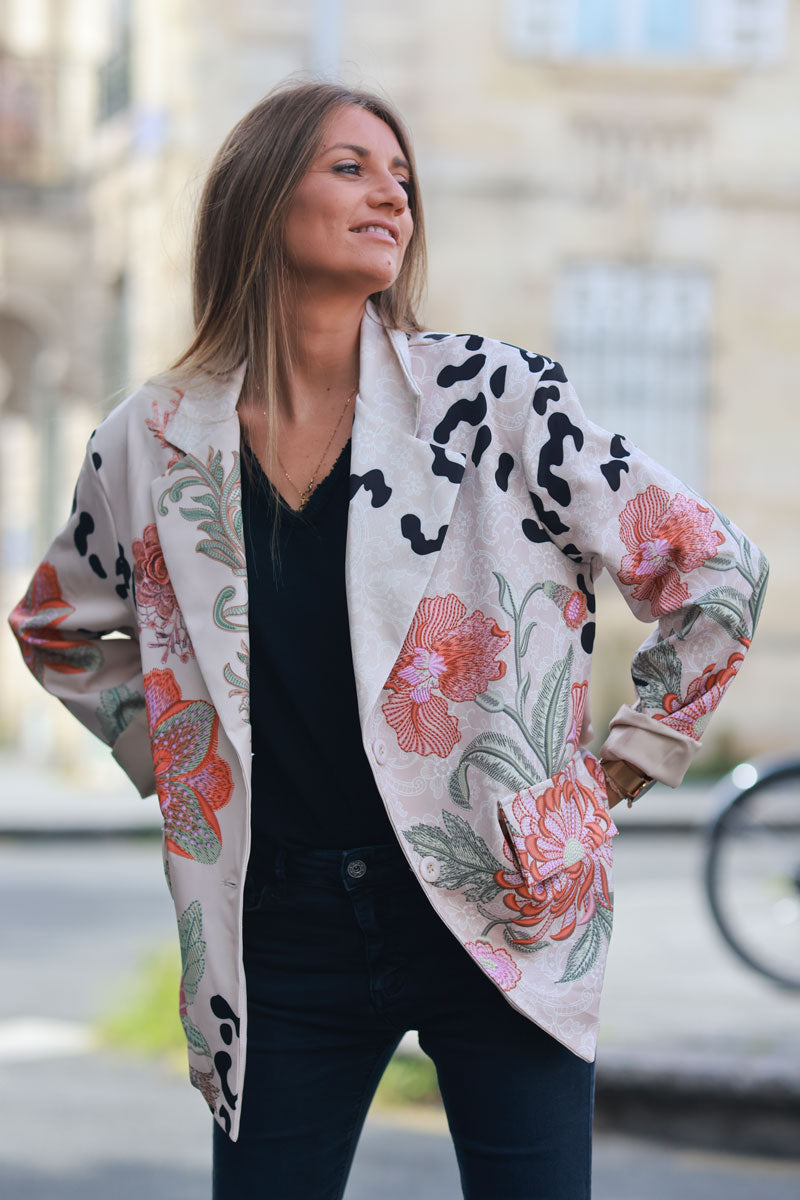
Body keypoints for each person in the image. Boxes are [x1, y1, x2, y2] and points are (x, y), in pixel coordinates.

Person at [9, 80, 768, 1200]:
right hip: (281, 929)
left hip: (504, 894)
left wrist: (634, 751)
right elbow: (55, 625)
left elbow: (714, 566)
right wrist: (177, 763)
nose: (391, 196)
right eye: (350, 168)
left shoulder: (491, 399)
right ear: (261, 200)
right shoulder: (154, 439)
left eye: (402, 176)